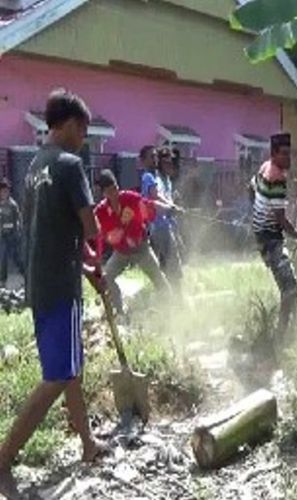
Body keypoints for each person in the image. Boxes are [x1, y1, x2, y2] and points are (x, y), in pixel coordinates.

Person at [0, 89, 107, 499]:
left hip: (41, 283)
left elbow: (46, 233)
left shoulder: (32, 167)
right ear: (65, 126)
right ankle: (4, 457)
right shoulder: (68, 164)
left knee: (71, 367)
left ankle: (87, 444)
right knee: (57, 377)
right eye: (82, 129)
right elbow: (91, 228)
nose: (84, 138)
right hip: (62, 289)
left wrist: (84, 266)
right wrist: (93, 255)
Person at [251, 132, 297, 344]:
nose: (288, 159)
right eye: (284, 154)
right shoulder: (276, 177)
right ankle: (281, 338)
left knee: (291, 287)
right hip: (271, 240)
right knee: (291, 290)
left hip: (264, 236)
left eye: (289, 154)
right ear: (274, 154)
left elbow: (250, 189)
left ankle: (290, 334)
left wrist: (257, 213)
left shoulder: (264, 168)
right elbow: (281, 221)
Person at [94, 169, 174, 315]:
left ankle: (172, 308)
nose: (114, 193)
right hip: (121, 252)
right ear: (104, 193)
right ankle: (120, 312)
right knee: (108, 277)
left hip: (141, 249)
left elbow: (150, 204)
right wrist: (98, 257)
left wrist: (168, 208)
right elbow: (98, 235)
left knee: (158, 278)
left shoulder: (129, 198)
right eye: (110, 191)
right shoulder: (101, 211)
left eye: (115, 188)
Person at [142, 148, 183, 290]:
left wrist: (173, 204)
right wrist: (172, 206)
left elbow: (163, 196)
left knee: (165, 262)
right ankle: (176, 294)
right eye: (151, 157)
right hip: (158, 225)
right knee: (172, 262)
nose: (154, 160)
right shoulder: (148, 177)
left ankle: (167, 292)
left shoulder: (158, 177)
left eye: (155, 157)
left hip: (165, 224)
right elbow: (155, 196)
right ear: (143, 161)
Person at [0, 178, 24, 288]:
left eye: (5, 191)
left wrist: (18, 229)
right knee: (2, 257)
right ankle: (2, 280)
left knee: (16, 257)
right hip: (2, 235)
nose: (4, 193)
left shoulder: (12, 204)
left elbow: (18, 219)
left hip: (12, 235)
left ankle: (25, 276)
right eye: (2, 191)